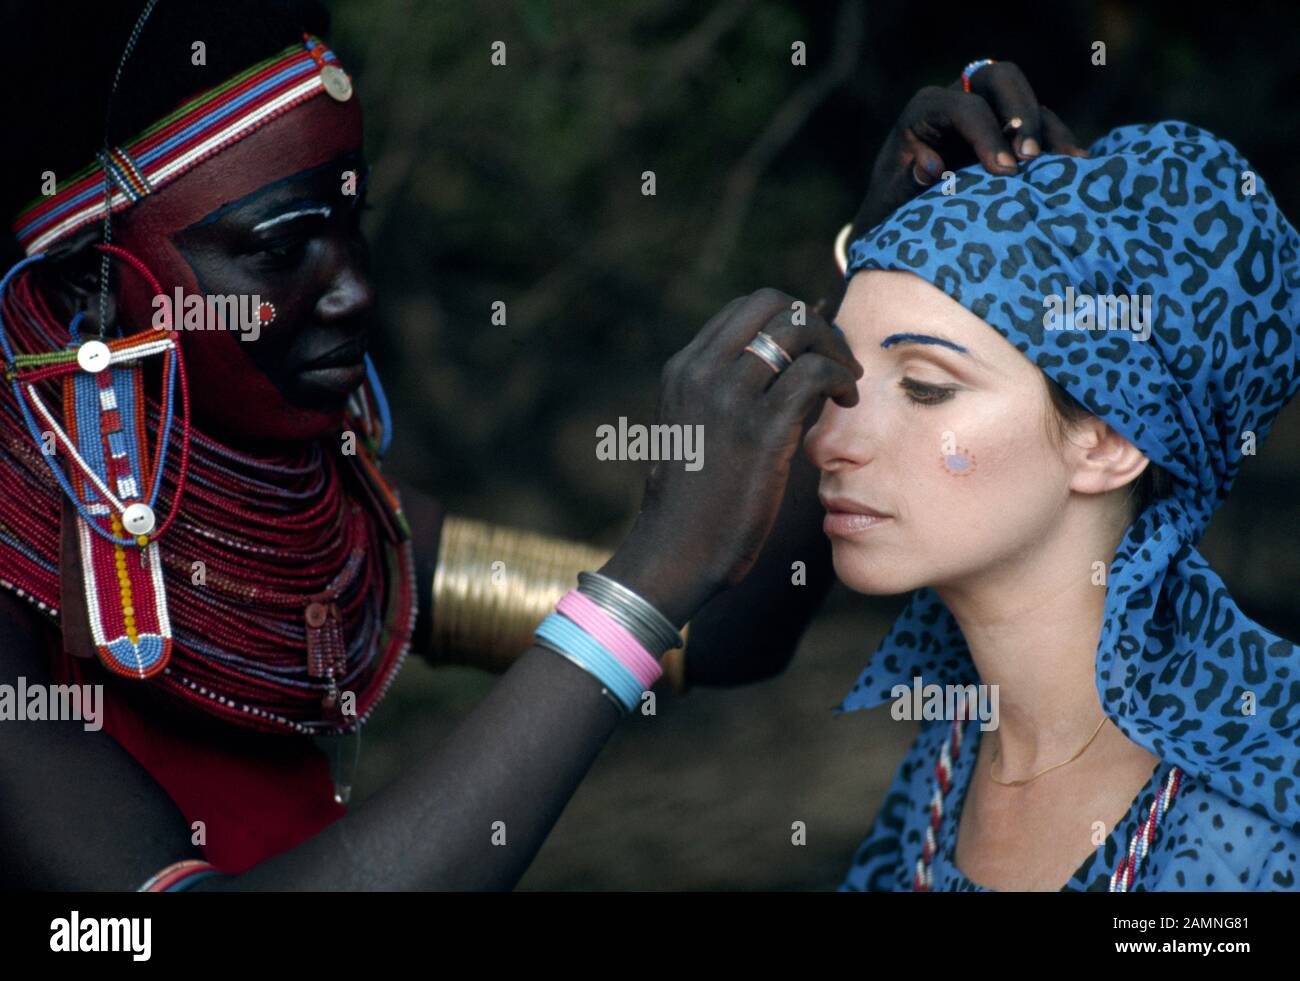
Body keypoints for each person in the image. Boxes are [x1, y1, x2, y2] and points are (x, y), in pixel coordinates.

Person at [0, 1, 1079, 890]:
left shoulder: (332, 535)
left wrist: (879, 265)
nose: (354, 288)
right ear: (87, 287)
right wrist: (649, 570)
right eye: (281, 249)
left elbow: (726, 634)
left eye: (351, 222)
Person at [816, 104, 1300, 890]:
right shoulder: (952, 749)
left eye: (927, 388)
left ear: (1111, 438)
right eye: (843, 381)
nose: (828, 439)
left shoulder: (1262, 823)